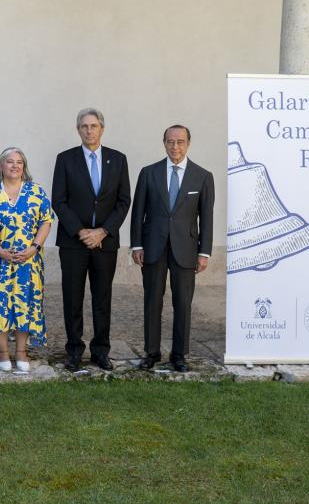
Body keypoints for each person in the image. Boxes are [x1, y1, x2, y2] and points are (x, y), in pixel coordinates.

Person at [51, 108, 131, 372]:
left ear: (102, 129)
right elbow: (59, 201)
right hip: (74, 243)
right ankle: (74, 350)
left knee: (102, 298)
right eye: (84, 126)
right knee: (72, 298)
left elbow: (123, 201)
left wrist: (103, 231)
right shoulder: (65, 159)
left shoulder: (118, 160)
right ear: (78, 130)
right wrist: (81, 231)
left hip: (105, 243)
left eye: (94, 126)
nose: (89, 130)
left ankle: (101, 350)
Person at [130, 125, 215, 373]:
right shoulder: (149, 173)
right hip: (153, 247)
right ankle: (151, 352)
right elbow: (138, 213)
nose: (175, 147)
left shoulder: (202, 176)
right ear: (164, 143)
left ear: (188, 143)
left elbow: (206, 218)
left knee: (183, 303)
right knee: (152, 300)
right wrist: (137, 245)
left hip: (186, 249)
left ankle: (179, 354)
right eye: (170, 142)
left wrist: (204, 252)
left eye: (180, 142)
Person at [0, 147, 52, 372]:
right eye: (10, 162)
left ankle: (21, 351)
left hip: (29, 261)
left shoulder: (36, 192)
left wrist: (33, 248)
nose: (15, 166)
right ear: (1, 166)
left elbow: (46, 221)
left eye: (19, 162)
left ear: (24, 167)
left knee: (26, 304)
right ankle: (2, 352)